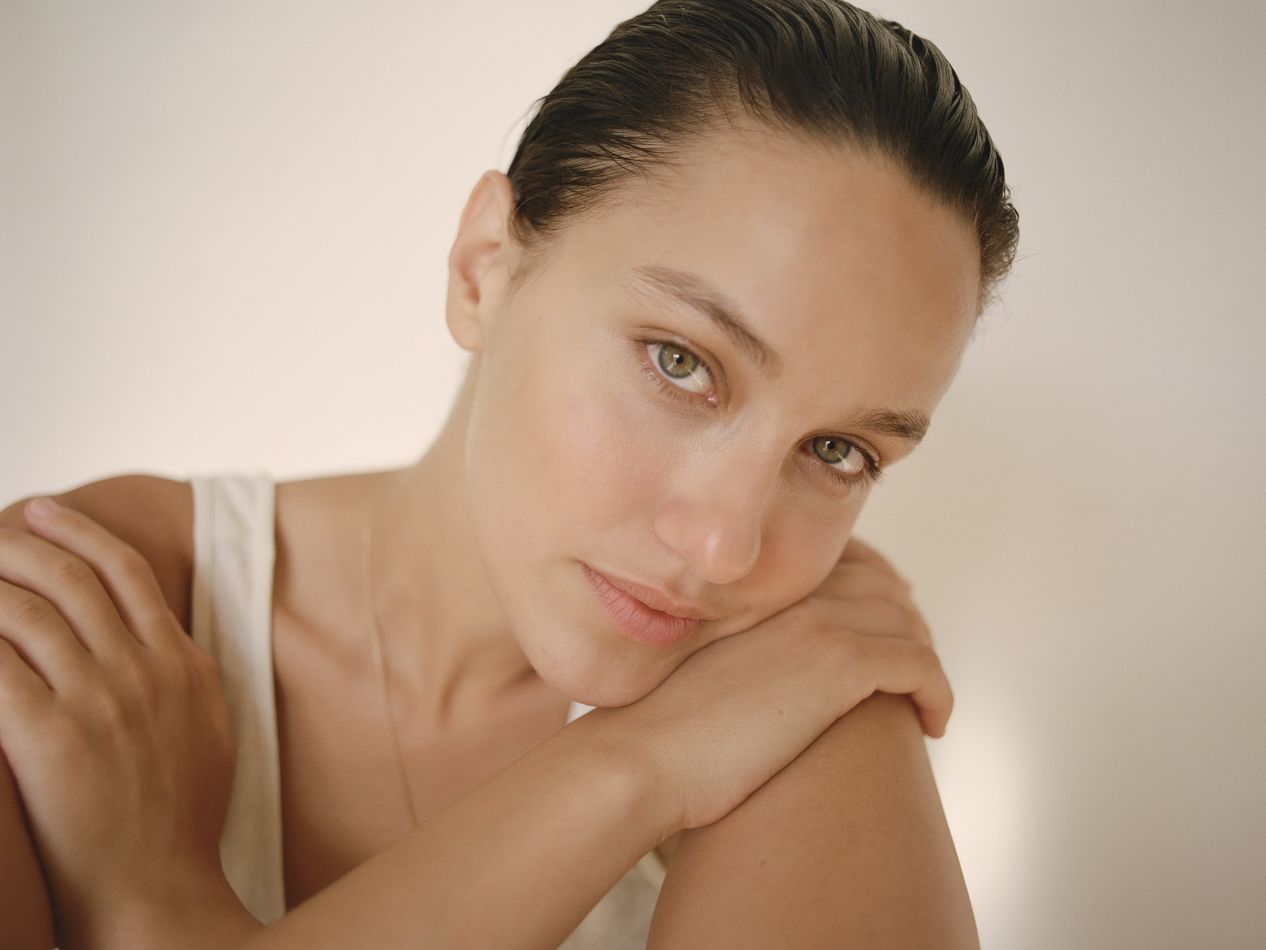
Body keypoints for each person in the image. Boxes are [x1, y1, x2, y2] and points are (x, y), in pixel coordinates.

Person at [0, 0, 1018, 946]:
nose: (723, 547)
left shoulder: (805, 697)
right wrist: (646, 760)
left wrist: (153, 900)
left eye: (839, 451)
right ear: (483, 264)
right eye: (682, 362)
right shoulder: (89, 607)